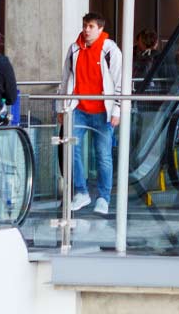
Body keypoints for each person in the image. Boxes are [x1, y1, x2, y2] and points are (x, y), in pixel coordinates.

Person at [59, 13, 124, 215]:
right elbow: (65, 79)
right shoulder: (74, 49)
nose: (86, 29)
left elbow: (120, 81)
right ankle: (81, 192)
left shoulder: (110, 50)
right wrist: (62, 108)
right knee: (71, 150)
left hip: (102, 111)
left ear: (100, 29)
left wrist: (117, 109)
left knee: (103, 155)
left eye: (91, 26)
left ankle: (104, 198)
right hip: (78, 109)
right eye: (85, 25)